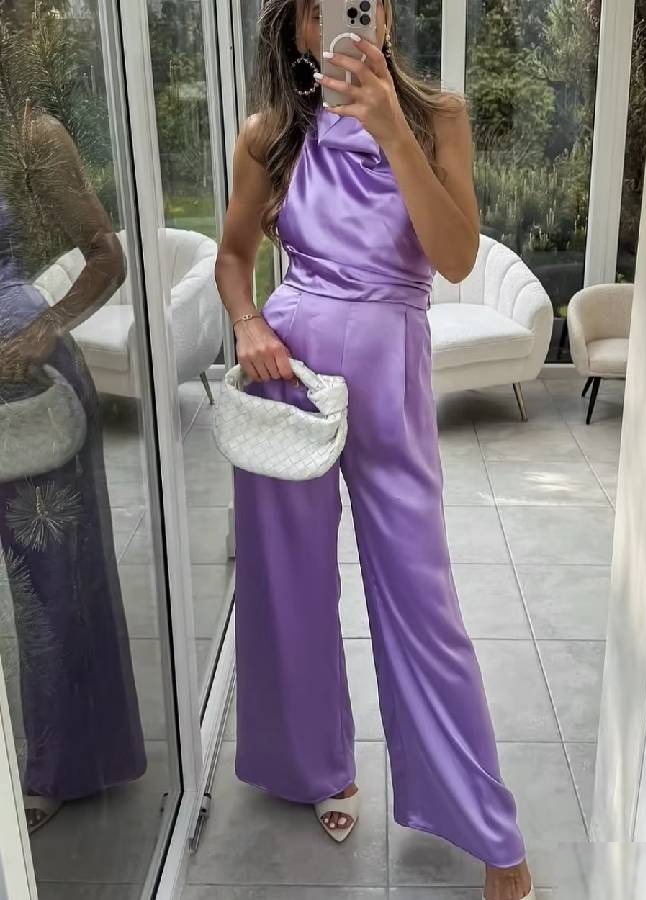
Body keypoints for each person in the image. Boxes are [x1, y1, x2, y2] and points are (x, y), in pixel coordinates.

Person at [215, 2, 535, 898]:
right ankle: (314, 769)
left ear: (384, 19)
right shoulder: (271, 132)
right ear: (302, 31)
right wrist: (247, 322)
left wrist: (392, 128)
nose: (343, 17)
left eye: (361, 0)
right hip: (288, 377)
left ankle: (487, 828)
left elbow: (456, 258)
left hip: (391, 375)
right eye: (318, 8)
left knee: (421, 598)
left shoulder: (438, 119)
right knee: (288, 585)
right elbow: (233, 257)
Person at [0, 24, 147, 833]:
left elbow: (105, 255)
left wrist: (46, 327)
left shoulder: (31, 137)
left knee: (51, 590)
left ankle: (63, 763)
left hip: (26, 390)